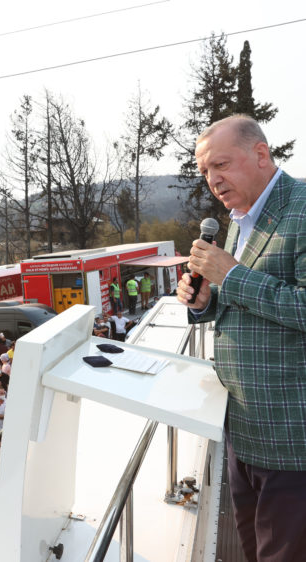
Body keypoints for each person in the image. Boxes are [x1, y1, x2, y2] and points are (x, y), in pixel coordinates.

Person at [176, 115, 306, 561]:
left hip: (291, 442)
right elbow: (247, 297)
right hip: (243, 431)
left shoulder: (302, 209)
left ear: (261, 155)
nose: (213, 180)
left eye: (221, 165)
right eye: (205, 171)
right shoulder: (239, 217)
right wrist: (206, 301)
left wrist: (230, 275)